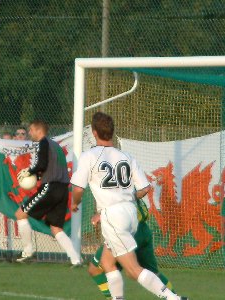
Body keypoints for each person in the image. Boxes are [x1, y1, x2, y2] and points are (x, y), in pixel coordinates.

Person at [71, 112, 183, 300]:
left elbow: (78, 189)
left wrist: (75, 203)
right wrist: (124, 198)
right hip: (131, 213)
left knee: (133, 270)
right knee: (107, 263)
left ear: (94, 132)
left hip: (113, 216)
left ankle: (173, 298)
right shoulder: (125, 156)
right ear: (112, 132)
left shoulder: (89, 156)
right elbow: (145, 188)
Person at [14, 120, 81, 266]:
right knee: (56, 228)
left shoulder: (43, 143)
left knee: (20, 214)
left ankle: (27, 252)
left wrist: (30, 172)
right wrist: (37, 175)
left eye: (31, 130)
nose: (30, 133)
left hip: (50, 187)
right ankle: (76, 260)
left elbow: (42, 164)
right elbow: (50, 166)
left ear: (39, 130)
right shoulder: (56, 146)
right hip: (63, 189)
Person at [89, 197, 181, 299]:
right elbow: (141, 190)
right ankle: (174, 296)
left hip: (125, 230)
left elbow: (118, 195)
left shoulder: (114, 186)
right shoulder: (130, 183)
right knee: (152, 273)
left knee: (98, 269)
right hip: (142, 229)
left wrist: (104, 213)